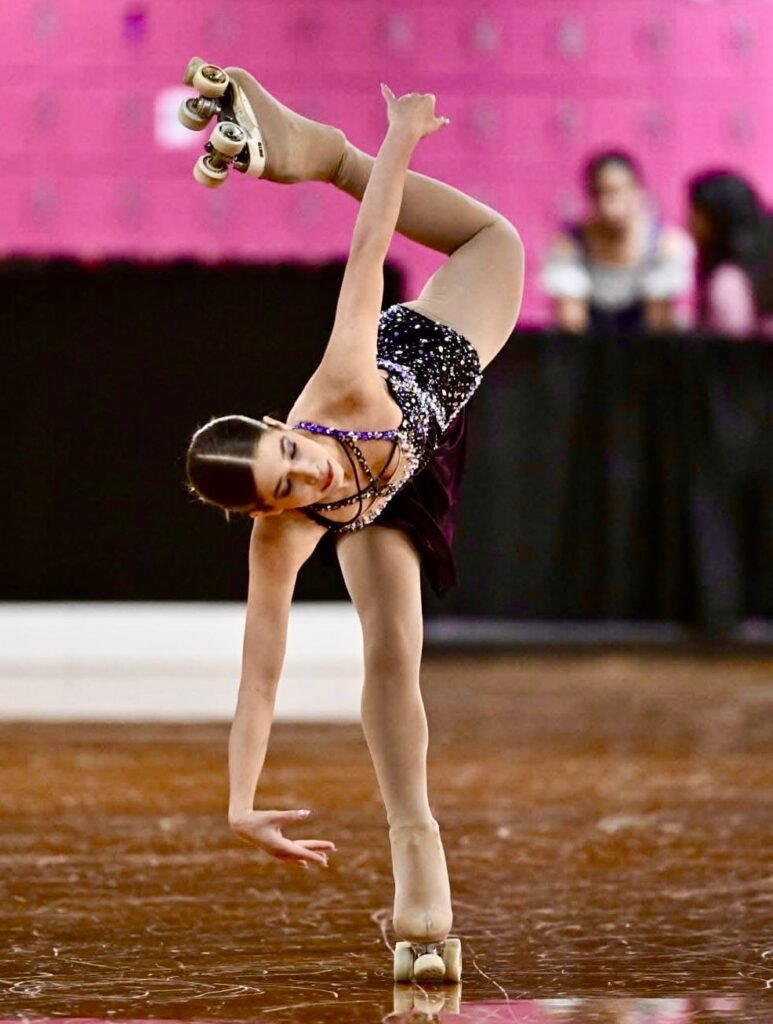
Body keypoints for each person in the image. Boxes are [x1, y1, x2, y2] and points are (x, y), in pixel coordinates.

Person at [184, 62, 524, 977]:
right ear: (268, 512)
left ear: (275, 424)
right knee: (391, 647)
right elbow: (260, 675)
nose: (304, 468)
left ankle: (319, 150)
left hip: (426, 366)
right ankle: (418, 851)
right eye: (286, 486)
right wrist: (239, 800)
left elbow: (370, 247)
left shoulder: (333, 387)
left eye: (285, 448)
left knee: (497, 240)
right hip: (388, 487)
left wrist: (403, 135)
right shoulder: (283, 532)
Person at [542, 150, 693, 333]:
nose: (608, 204)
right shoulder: (569, 246)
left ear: (638, 190)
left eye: (616, 192)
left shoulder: (665, 244)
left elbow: (658, 326)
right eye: (598, 194)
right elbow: (571, 324)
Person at [687, 169, 773, 338]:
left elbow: (733, 355)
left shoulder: (728, 282)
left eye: (696, 214)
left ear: (717, 219)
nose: (688, 222)